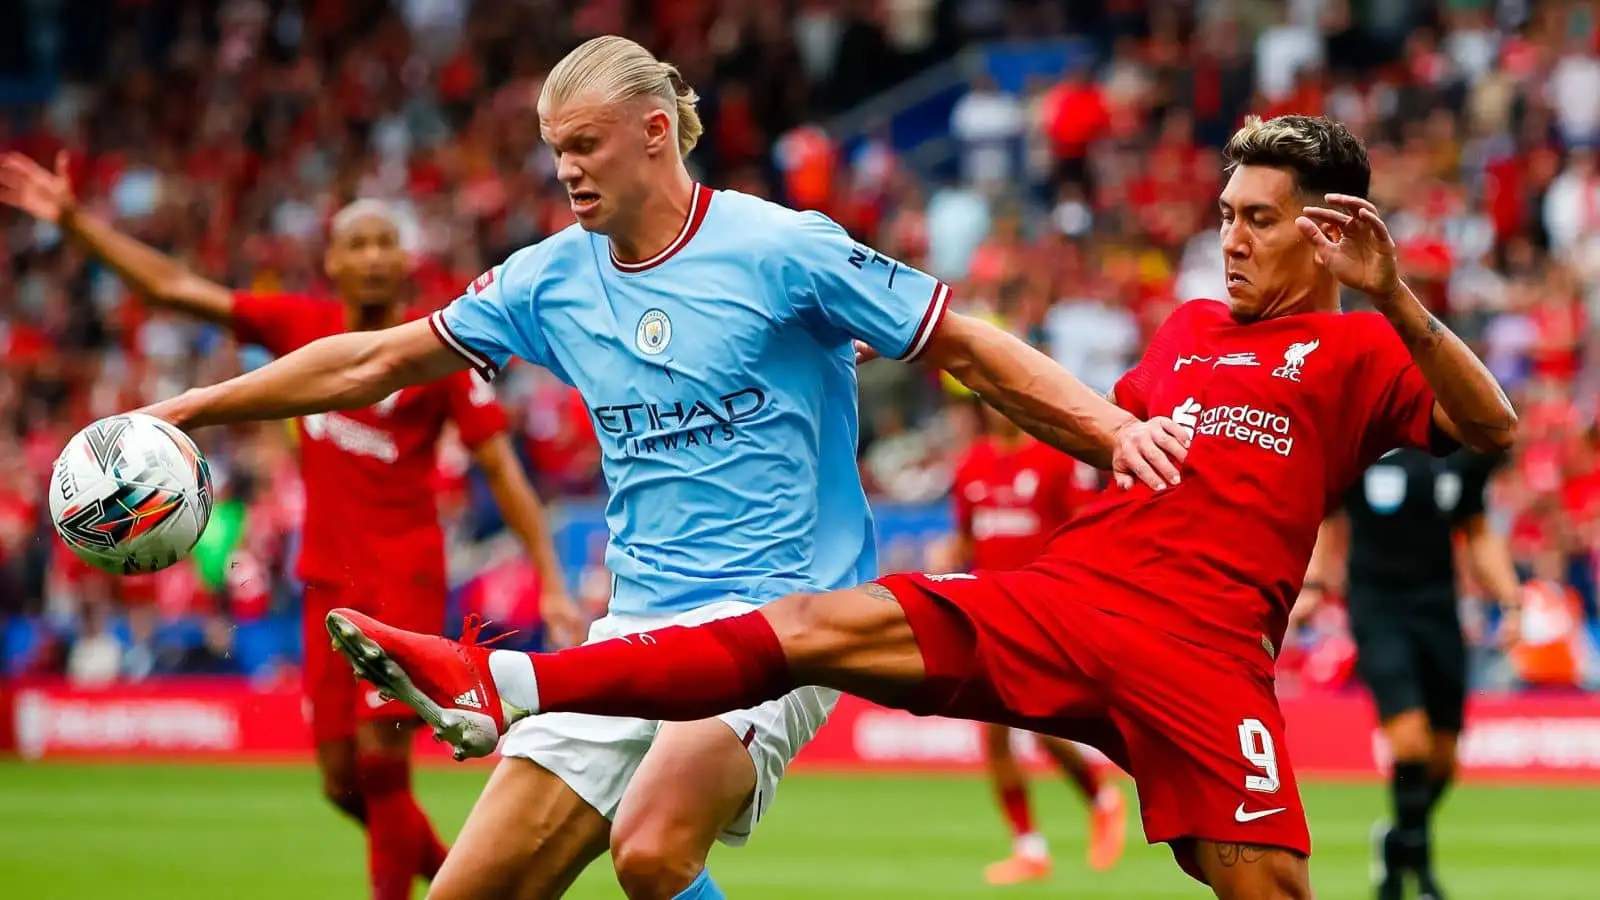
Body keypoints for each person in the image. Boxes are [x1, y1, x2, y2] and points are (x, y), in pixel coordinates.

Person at [309, 114, 1517, 900]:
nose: (1231, 244)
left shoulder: (1361, 350)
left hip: (1204, 656)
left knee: (1267, 891)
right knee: (822, 626)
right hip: (1075, 596)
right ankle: (508, 683)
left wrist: (1398, 299)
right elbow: (1109, 436)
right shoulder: (1191, 333)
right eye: (1225, 218)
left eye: (1258, 221)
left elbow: (1492, 429)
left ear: (1328, 232)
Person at [136, 35, 1189, 900]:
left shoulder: (785, 247)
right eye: (555, 153)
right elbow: (375, 357)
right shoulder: (546, 279)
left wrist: (1109, 432)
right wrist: (195, 407)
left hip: (789, 617)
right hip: (631, 634)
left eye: (585, 146)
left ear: (655, 133)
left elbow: (961, 342)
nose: (568, 172)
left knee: (649, 851)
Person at [0, 158, 578, 900]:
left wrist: (553, 583)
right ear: (331, 262)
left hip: (402, 575)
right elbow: (174, 289)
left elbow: (501, 469)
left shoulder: (437, 348)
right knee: (341, 783)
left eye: (385, 243)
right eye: (357, 244)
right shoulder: (301, 328)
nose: (373, 257)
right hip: (322, 577)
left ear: (405, 259)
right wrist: (77, 221)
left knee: (379, 765)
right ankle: (478, 890)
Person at [1294, 447, 1519, 900]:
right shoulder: (1364, 443)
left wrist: (1510, 600)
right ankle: (1422, 878)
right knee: (1410, 738)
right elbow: (1327, 517)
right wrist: (1315, 584)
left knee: (1443, 757)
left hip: (1439, 610)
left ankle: (1396, 840)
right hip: (1377, 607)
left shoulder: (1461, 452)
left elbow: (1476, 530)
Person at [945, 396, 1125, 883]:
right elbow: (965, 538)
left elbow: (1083, 528)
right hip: (986, 609)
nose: (999, 410)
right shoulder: (972, 465)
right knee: (994, 733)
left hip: (1041, 609)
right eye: (990, 404)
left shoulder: (1051, 457)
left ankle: (1102, 798)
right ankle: (1030, 847)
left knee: (1044, 728)